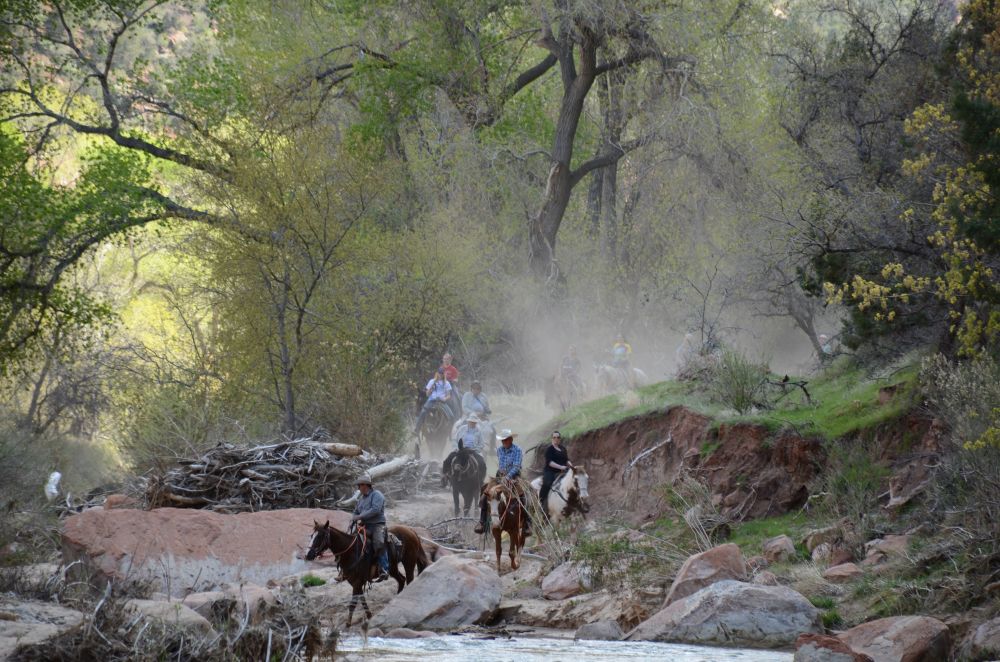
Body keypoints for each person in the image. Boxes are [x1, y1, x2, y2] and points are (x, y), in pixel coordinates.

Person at [475, 429, 530, 536]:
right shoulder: (499, 450)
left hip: (514, 475)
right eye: (502, 440)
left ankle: (527, 522)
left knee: (523, 495)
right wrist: (502, 476)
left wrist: (508, 477)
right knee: (485, 491)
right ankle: (482, 522)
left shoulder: (517, 450)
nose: (503, 442)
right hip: (500, 475)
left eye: (505, 440)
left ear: (511, 439)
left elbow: (516, 466)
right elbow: (501, 466)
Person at [351, 474, 389, 582]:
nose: (358, 488)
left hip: (377, 525)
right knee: (351, 540)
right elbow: (356, 511)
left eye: (360, 485)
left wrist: (360, 517)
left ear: (366, 485)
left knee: (379, 543)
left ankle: (384, 569)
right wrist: (353, 517)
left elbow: (375, 510)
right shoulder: (361, 499)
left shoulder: (377, 495)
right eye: (358, 485)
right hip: (365, 526)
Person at [442, 413, 487, 485]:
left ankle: (481, 480)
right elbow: (454, 439)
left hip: (472, 450)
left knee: (482, 462)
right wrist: (456, 448)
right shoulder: (461, 429)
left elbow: (481, 444)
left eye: (474, 422)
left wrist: (476, 450)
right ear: (468, 422)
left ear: (476, 423)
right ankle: (445, 476)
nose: (472, 423)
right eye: (471, 422)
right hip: (461, 449)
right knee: (449, 459)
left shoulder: (479, 431)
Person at [539, 430, 573, 519]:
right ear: (552, 439)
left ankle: (576, 502)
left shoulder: (563, 449)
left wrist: (571, 466)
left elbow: (566, 460)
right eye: (554, 437)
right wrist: (561, 467)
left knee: (573, 481)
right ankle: (542, 504)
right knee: (547, 484)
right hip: (550, 471)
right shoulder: (549, 449)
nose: (556, 439)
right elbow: (550, 462)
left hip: (563, 471)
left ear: (560, 439)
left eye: (558, 437)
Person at [439, 353, 462, 418]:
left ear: (450, 360)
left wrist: (452, 380)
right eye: (444, 359)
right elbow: (438, 377)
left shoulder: (453, 369)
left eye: (447, 359)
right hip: (443, 386)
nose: (445, 360)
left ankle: (460, 410)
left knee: (457, 395)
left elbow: (456, 379)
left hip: (452, 386)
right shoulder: (441, 368)